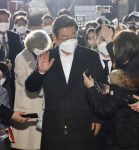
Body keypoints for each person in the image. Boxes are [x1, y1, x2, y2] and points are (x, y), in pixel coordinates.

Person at [25, 15, 104, 150]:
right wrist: (40, 72)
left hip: (83, 124)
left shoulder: (91, 56)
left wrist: (98, 118)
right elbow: (30, 87)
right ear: (54, 38)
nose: (70, 41)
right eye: (65, 38)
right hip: (54, 126)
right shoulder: (46, 56)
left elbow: (101, 88)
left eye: (73, 36)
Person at [83, 30, 139, 150]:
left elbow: (103, 110)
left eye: (115, 47)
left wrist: (91, 88)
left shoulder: (121, 78)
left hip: (125, 139)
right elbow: (122, 62)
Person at [11, 30, 51, 150]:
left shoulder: (46, 55)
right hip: (26, 103)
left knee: (40, 142)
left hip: (42, 106)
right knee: (25, 143)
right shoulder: (21, 57)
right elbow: (22, 80)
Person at [0, 9, 23, 106]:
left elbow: (20, 56)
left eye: (6, 20)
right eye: (1, 21)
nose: (4, 23)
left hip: (12, 77)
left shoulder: (15, 36)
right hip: (0, 76)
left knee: (11, 102)